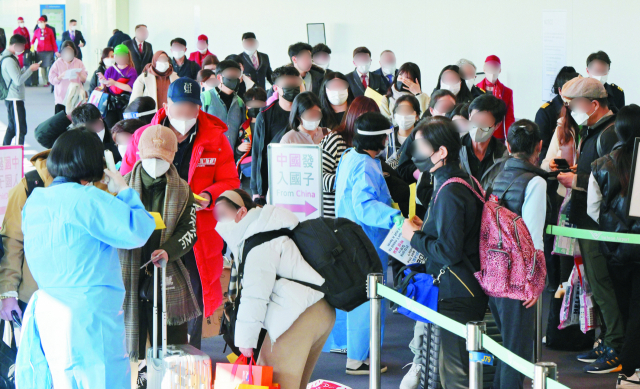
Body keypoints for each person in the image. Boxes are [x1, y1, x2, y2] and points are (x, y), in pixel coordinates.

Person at [15, 129, 155, 389]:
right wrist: (123, 190)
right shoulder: (90, 199)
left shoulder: (36, 200)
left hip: (49, 310)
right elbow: (139, 229)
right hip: (90, 315)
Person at [120, 77, 240, 349]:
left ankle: (188, 359)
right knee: (142, 296)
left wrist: (209, 196)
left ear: (199, 108)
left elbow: (230, 181)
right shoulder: (144, 136)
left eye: (191, 109)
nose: (185, 114)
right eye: (179, 107)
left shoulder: (215, 139)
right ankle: (142, 362)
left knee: (191, 298)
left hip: (196, 233)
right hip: (149, 232)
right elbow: (125, 180)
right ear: (166, 104)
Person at [214, 189, 335, 388]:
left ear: (242, 212)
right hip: (319, 310)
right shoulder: (270, 230)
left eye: (223, 214)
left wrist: (245, 341)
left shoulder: (257, 242)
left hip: (297, 316)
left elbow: (254, 295)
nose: (219, 221)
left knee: (275, 380)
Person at [401, 117, 488, 389]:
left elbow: (448, 252)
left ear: (441, 152)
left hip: (456, 290)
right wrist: (425, 231)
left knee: (454, 373)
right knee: (449, 368)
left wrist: (414, 238)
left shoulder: (449, 189)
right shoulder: (460, 180)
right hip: (463, 286)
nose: (415, 152)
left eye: (421, 146)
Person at [119, 125, 199, 387]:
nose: (155, 163)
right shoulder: (121, 189)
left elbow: (190, 231)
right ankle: (140, 382)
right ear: (140, 154)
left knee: (172, 345)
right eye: (150, 157)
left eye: (161, 158)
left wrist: (169, 250)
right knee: (133, 343)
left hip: (167, 276)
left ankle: (168, 382)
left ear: (172, 157)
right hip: (128, 275)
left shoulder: (184, 190)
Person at [557, 77, 624, 374]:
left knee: (602, 285)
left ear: (594, 105)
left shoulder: (609, 133)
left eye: (574, 105)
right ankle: (607, 340)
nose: (570, 110)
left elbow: (617, 180)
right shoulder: (595, 129)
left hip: (598, 224)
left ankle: (616, 346)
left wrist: (578, 180)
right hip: (586, 220)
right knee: (594, 285)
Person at [334, 111, 401, 374]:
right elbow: (365, 207)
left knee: (356, 296)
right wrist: (396, 218)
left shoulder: (351, 156)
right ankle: (358, 359)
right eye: (385, 136)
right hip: (366, 241)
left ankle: (354, 351)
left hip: (351, 238)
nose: (387, 140)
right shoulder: (366, 165)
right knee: (368, 299)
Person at [486, 120, 548, 389]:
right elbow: (533, 238)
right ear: (540, 146)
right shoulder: (535, 181)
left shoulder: (494, 173)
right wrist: (535, 281)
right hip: (518, 276)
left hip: (492, 269)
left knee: (507, 344)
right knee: (517, 350)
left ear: (508, 145)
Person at [588, 105, 640, 385]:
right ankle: (632, 367)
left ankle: (626, 363)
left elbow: (593, 210)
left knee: (623, 307)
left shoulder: (601, 164)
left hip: (614, 249)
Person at [251, 66, 302, 203]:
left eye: (295, 84)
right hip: (276, 179)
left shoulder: (307, 111)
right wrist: (256, 190)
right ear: (276, 88)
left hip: (303, 177)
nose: (293, 88)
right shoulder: (266, 114)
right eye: (287, 85)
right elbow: (257, 152)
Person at [320, 96, 377, 219]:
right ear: (353, 116)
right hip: (331, 216)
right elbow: (318, 176)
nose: (369, 124)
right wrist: (347, 182)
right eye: (365, 118)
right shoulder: (336, 139)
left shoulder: (368, 145)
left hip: (354, 215)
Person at [459, 94, 509, 188]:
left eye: (484, 122)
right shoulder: (455, 148)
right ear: (469, 116)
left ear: (497, 125)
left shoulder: (502, 155)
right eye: (475, 119)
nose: (478, 126)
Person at [1, 34, 39, 145]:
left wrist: (24, 70)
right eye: (21, 46)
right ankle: (18, 154)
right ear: (14, 45)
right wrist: (31, 70)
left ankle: (5, 151)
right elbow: (18, 80)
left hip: (14, 97)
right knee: (20, 129)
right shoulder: (9, 60)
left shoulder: (10, 58)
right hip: (14, 98)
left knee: (13, 127)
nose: (22, 49)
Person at [535, 66, 579, 162]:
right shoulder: (545, 112)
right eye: (570, 90)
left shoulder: (581, 109)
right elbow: (541, 149)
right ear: (560, 91)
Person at [201, 60, 247, 149]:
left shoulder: (240, 102)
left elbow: (242, 131)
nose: (234, 77)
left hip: (231, 157)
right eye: (230, 74)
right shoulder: (205, 98)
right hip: (209, 155)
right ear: (219, 78)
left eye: (237, 74)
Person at [98, 44, 138, 128]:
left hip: (125, 104)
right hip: (111, 105)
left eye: (122, 55)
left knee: (125, 127)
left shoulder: (131, 70)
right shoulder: (110, 70)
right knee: (110, 127)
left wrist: (115, 83)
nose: (120, 57)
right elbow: (105, 88)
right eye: (117, 55)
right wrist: (102, 82)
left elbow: (131, 88)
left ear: (127, 56)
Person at [237, 86, 267, 191]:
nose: (254, 107)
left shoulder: (269, 124)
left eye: (258, 103)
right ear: (246, 106)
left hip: (267, 172)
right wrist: (239, 150)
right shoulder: (243, 127)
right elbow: (235, 154)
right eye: (251, 104)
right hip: (248, 175)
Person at [476, 55, 514, 140]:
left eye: (495, 67)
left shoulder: (507, 91)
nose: (492, 70)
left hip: (497, 135)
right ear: (484, 69)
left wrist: (510, 139)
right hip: (479, 133)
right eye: (489, 67)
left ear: (499, 70)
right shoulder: (475, 89)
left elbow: (509, 118)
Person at [48, 40, 87, 113]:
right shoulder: (57, 63)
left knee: (75, 122)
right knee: (60, 121)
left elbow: (84, 79)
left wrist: (79, 75)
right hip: (61, 98)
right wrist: (60, 77)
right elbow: (51, 79)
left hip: (75, 98)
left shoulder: (78, 62)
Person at [387, 94, 421, 160]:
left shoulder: (423, 137)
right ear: (394, 115)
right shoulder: (387, 137)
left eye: (408, 111)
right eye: (400, 111)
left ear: (417, 116)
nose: (404, 116)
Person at [31, 17, 57, 87]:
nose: (40, 24)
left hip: (49, 51)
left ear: (45, 23)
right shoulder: (36, 31)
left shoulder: (50, 31)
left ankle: (49, 79)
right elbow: (32, 41)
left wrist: (56, 51)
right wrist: (32, 48)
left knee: (49, 66)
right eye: (39, 23)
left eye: (41, 22)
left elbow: (53, 41)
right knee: (42, 67)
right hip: (40, 51)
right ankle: (45, 81)